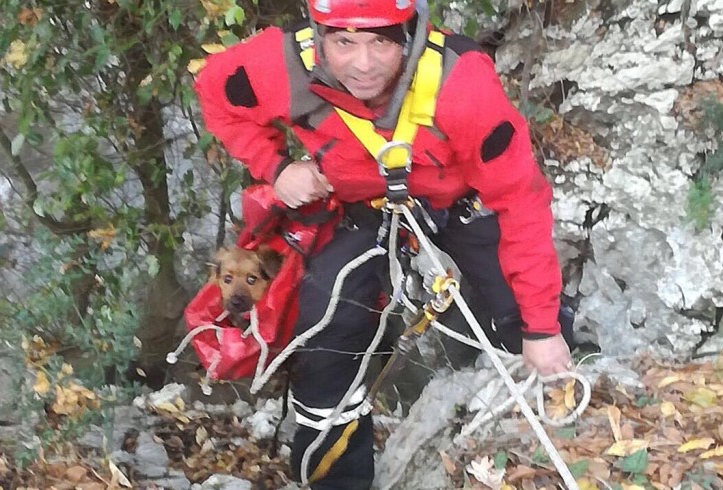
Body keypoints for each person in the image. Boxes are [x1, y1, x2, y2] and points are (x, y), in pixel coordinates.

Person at [194, 0, 574, 487]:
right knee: (325, 332)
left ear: (409, 34)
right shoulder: (285, 64)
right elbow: (214, 91)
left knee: (533, 327)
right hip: (359, 208)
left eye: (381, 41)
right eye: (344, 42)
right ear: (319, 33)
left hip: (460, 203)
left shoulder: (460, 81)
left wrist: (540, 328)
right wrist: (276, 168)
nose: (364, 64)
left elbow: (519, 199)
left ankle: (566, 407)